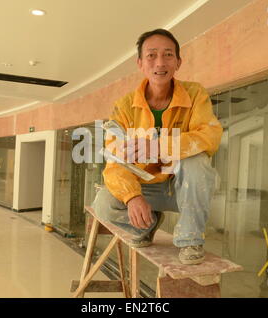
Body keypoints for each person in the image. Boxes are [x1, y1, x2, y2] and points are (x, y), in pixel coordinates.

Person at [92, 29, 223, 265]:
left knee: (197, 160)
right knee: (103, 204)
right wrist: (132, 197)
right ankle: (147, 225)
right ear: (140, 63)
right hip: (146, 189)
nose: (160, 63)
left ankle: (190, 239)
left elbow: (210, 135)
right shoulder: (124, 107)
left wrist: (161, 147)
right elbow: (115, 161)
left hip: (183, 188)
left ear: (178, 62)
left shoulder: (195, 94)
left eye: (168, 55)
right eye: (152, 55)